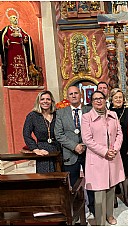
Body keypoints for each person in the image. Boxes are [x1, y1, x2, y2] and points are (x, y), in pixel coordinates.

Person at [81, 90, 125, 226]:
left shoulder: (113, 114)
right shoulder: (86, 117)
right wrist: (105, 151)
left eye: (101, 98)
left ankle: (110, 215)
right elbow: (87, 139)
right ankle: (100, 220)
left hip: (113, 157)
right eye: (95, 99)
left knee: (111, 187)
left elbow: (119, 134)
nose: (99, 101)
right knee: (99, 190)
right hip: (97, 158)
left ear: (105, 100)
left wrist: (115, 149)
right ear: (92, 102)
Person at [54, 86, 94, 217]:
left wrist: (84, 145)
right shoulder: (61, 113)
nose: (73, 96)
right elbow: (59, 134)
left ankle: (94, 208)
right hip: (70, 154)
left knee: (92, 181)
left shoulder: (89, 110)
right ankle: (78, 211)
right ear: (67, 96)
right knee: (74, 184)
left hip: (89, 152)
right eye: (70, 94)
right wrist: (74, 146)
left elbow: (95, 131)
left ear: (81, 95)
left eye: (76, 93)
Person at [23, 90, 60, 173]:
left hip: (58, 149)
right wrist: (35, 149)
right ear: (38, 101)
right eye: (42, 99)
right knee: (46, 177)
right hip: (42, 150)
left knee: (61, 178)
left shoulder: (57, 114)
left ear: (52, 101)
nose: (45, 101)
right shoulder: (32, 116)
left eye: (48, 99)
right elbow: (26, 134)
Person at [109, 88, 128, 208]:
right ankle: (113, 198)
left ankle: (126, 195)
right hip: (111, 147)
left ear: (124, 100)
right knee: (113, 172)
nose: (118, 99)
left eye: (120, 97)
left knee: (125, 172)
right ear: (111, 100)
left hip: (125, 146)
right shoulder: (107, 112)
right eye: (116, 97)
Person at [0, 9, 37, 86]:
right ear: (10, 20)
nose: (15, 19)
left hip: (21, 49)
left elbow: (26, 36)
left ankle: (24, 79)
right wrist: (7, 40)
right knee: (12, 65)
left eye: (16, 18)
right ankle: (12, 80)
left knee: (22, 64)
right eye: (13, 18)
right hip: (11, 50)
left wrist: (24, 38)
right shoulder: (8, 28)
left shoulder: (20, 30)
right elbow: (3, 36)